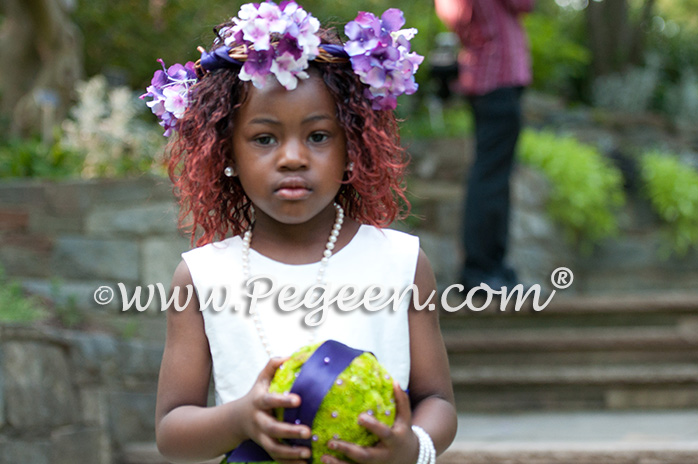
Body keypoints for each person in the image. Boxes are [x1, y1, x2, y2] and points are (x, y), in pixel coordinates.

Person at [141, 2, 458, 464]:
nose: (293, 157)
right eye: (265, 138)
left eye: (318, 136)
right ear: (226, 152)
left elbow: (439, 402)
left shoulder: (402, 263)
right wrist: (240, 419)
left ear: (352, 148)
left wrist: (413, 449)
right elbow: (172, 432)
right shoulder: (201, 277)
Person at [435, 0, 535, 292]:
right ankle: (481, 269)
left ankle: (492, 266)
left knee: (493, 175)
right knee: (491, 177)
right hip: (499, 77)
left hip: (483, 76)